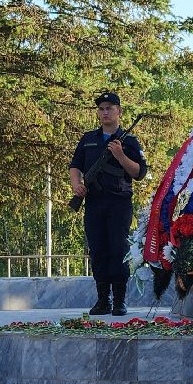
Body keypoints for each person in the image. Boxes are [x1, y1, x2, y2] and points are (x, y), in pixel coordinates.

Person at [68, 91, 146, 316]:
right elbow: (75, 165)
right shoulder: (88, 139)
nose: (104, 112)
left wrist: (121, 156)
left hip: (119, 203)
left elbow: (139, 172)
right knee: (98, 250)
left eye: (109, 108)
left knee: (118, 249)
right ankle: (103, 299)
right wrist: (77, 185)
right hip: (94, 202)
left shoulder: (128, 141)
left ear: (119, 111)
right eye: (101, 108)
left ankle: (119, 300)